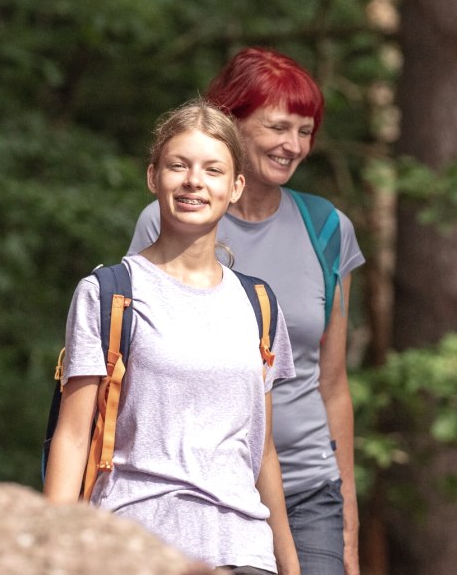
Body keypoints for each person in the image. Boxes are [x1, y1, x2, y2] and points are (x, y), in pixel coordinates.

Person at [130, 48, 365, 575]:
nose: (293, 145)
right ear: (230, 122)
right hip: (202, 488)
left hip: (308, 488)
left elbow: (333, 384)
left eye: (305, 131)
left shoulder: (328, 229)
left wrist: (348, 520)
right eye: (278, 127)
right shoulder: (166, 219)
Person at [46, 99, 300, 575]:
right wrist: (51, 556)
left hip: (245, 552)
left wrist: (289, 563)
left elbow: (261, 450)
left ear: (236, 186)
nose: (193, 181)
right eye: (178, 165)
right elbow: (73, 437)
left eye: (212, 170)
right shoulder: (108, 294)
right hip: (137, 549)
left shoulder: (259, 304)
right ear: (153, 177)